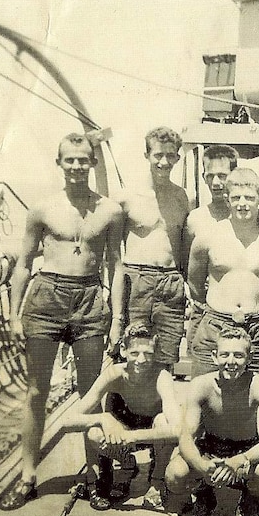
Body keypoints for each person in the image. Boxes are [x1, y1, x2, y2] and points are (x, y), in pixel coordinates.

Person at [1, 133, 123, 510]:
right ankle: (27, 477)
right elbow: (22, 265)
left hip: (89, 301)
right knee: (36, 393)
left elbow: (116, 265)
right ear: (59, 163)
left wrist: (117, 318)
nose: (76, 166)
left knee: (91, 393)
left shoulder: (109, 211)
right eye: (69, 160)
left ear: (93, 163)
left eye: (82, 160)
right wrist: (13, 315)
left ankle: (97, 473)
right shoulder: (41, 209)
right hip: (46, 299)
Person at [165, 327, 259, 516]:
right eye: (225, 354)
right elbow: (186, 437)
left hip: (246, 452)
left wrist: (236, 462)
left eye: (238, 355)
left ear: (249, 358)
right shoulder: (201, 385)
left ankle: (250, 502)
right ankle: (203, 492)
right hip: (211, 448)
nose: (231, 361)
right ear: (214, 356)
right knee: (175, 474)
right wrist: (202, 465)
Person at [187, 168, 259, 380]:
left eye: (249, 198)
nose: (242, 203)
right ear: (227, 200)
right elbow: (194, 284)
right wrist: (216, 311)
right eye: (236, 198)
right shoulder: (207, 236)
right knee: (205, 395)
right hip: (215, 326)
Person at [60, 323, 180, 510]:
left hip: (151, 433)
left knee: (163, 421)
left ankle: (156, 480)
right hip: (124, 428)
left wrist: (134, 437)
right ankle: (127, 463)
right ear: (123, 351)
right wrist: (102, 418)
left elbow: (176, 428)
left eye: (148, 353)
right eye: (135, 353)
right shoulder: (114, 374)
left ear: (155, 353)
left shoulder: (161, 376)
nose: (141, 360)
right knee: (94, 433)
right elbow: (67, 420)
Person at [110, 127, 189, 373]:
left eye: (170, 155)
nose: (164, 162)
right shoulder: (126, 197)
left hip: (170, 282)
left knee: (165, 358)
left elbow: (182, 247)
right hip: (136, 282)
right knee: (130, 354)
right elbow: (112, 257)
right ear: (147, 155)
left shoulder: (181, 197)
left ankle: (158, 410)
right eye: (158, 155)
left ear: (177, 157)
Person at [183, 144, 240, 265]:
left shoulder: (246, 215)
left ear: (234, 176)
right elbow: (186, 265)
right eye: (210, 176)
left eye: (222, 176)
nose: (215, 183)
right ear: (203, 177)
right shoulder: (195, 219)